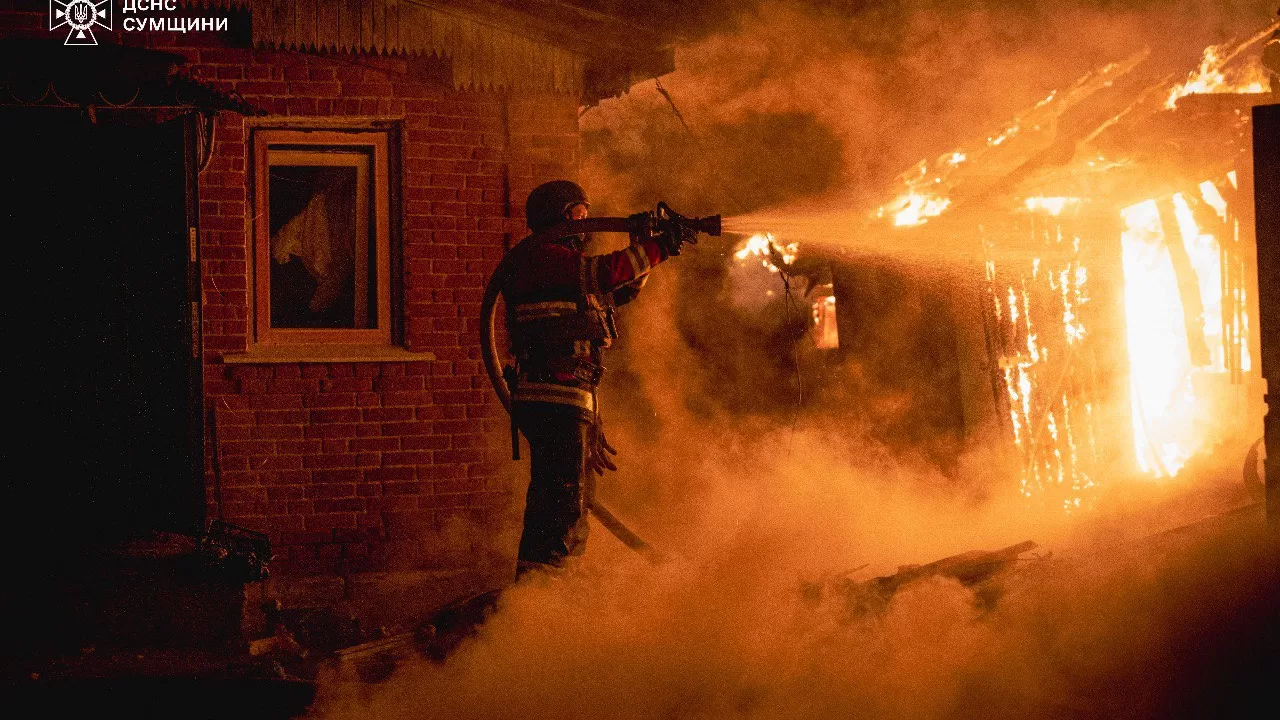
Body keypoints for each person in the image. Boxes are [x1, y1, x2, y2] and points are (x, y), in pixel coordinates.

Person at [502, 180, 688, 577]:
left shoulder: (566, 275)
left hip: (571, 395)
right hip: (551, 393)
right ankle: (539, 597)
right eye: (580, 216)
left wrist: (649, 247)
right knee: (560, 500)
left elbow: (621, 289)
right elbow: (606, 272)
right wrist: (656, 247)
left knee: (575, 498)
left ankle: (560, 585)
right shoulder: (538, 257)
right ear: (560, 216)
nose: (585, 226)